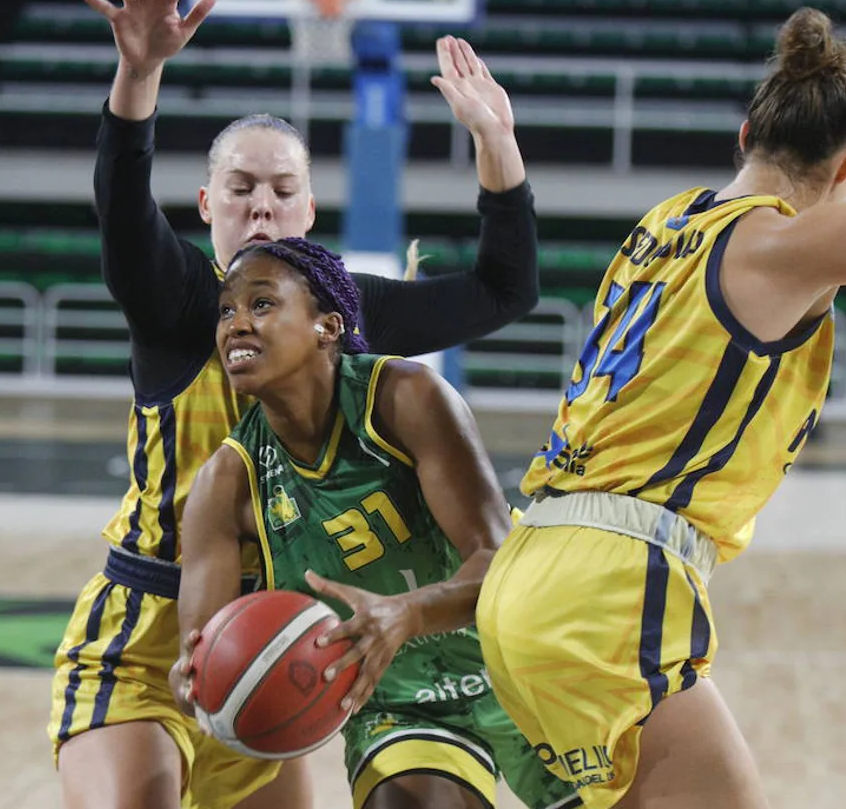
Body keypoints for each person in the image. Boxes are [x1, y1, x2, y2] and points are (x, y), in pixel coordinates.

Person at [48, 0, 539, 807]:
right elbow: (125, 216)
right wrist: (139, 76)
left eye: (282, 190)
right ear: (207, 205)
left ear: (310, 209)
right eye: (240, 189)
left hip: (277, 631)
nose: (262, 208)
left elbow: (505, 289)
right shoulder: (180, 303)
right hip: (144, 619)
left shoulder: (344, 317)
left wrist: (497, 147)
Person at [475, 8, 846, 809]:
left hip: (529, 570)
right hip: (611, 589)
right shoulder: (779, 250)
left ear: (744, 134)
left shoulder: (665, 222)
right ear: (844, 169)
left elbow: (791, 234)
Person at [170, 237, 581, 809]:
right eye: (226, 311)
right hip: (399, 704)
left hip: (523, 656)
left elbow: (499, 562)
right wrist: (199, 683)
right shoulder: (224, 484)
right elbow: (200, 657)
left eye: (261, 304)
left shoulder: (404, 397)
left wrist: (405, 615)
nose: (236, 323)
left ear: (327, 325)